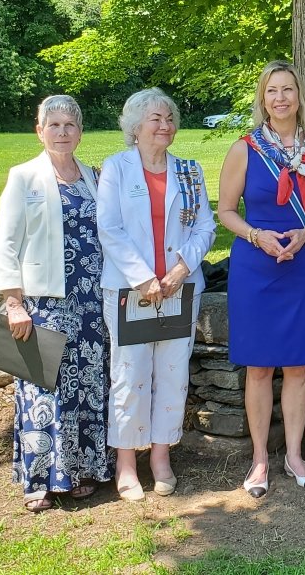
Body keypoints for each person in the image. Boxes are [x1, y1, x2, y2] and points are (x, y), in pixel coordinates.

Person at [217, 60, 305, 498]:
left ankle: (294, 454)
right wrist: (257, 235)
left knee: (296, 366)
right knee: (258, 367)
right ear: (263, 98)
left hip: (301, 264)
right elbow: (226, 211)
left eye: (288, 89)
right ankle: (258, 460)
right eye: (272, 91)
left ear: (299, 96)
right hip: (256, 268)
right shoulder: (245, 149)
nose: (281, 98)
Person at [0, 94, 113, 513]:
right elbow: (6, 244)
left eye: (70, 125)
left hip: (91, 300)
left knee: (87, 385)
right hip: (43, 300)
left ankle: (80, 473)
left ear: (80, 132)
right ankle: (39, 480)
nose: (62, 132)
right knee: (42, 387)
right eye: (54, 125)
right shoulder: (23, 176)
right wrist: (13, 303)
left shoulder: (93, 177)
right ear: (39, 130)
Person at [97, 88, 216, 502]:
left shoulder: (189, 170)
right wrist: (144, 278)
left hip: (180, 290)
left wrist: (182, 268)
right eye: (156, 119)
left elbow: (205, 227)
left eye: (170, 118)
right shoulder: (116, 169)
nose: (165, 125)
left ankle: (161, 456)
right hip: (132, 291)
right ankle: (127, 462)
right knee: (129, 375)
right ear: (134, 127)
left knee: (172, 371)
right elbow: (109, 228)